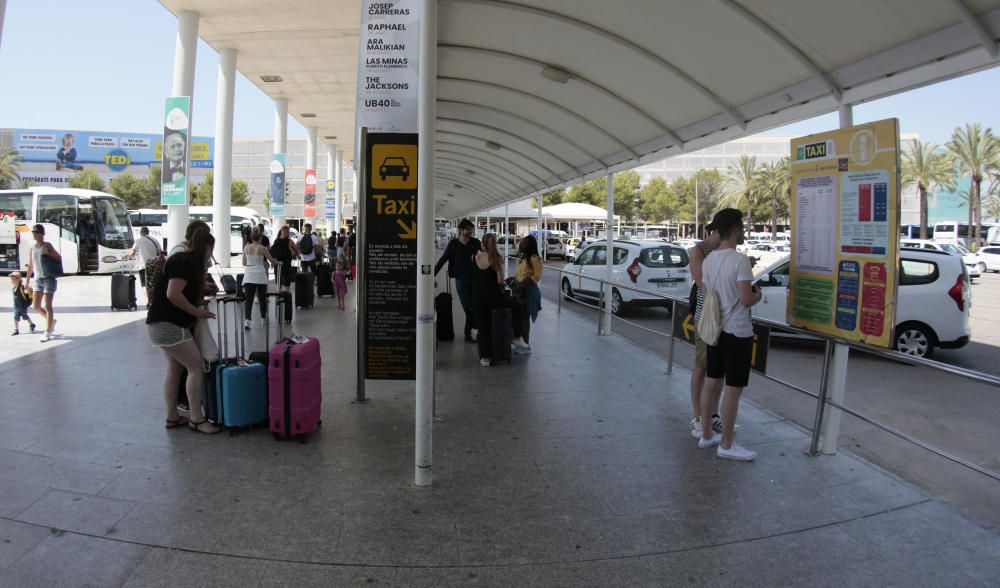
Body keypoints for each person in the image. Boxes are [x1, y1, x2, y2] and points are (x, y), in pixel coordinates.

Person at [698, 208, 762, 461]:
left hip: (715, 330)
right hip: (737, 331)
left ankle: (706, 435)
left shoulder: (709, 260)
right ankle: (726, 443)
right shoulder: (740, 260)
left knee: (711, 381)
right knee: (733, 389)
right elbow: (746, 299)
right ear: (735, 229)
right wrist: (759, 295)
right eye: (743, 227)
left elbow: (708, 292)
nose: (744, 231)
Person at [146, 227, 222, 435]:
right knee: (196, 366)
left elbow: (175, 292)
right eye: (211, 250)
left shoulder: (182, 259)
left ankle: (172, 416)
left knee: (175, 368)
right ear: (206, 247)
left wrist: (196, 299)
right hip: (170, 324)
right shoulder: (186, 262)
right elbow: (173, 294)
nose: (210, 255)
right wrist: (196, 312)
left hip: (160, 323)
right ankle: (196, 419)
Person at [687, 220, 724, 439]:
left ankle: (713, 413)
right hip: (706, 318)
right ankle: (697, 417)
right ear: (718, 231)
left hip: (724, 318)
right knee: (701, 368)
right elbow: (702, 283)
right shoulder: (698, 251)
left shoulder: (726, 250)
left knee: (718, 371)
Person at [434, 219, 482, 342]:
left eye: (472, 229)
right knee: (468, 307)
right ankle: (475, 329)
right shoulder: (453, 244)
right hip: (461, 280)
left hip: (475, 279)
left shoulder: (475, 242)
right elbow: (443, 259)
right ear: (461, 230)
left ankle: (468, 334)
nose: (470, 231)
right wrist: (432, 275)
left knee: (473, 307)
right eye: (468, 229)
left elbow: (485, 256)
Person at [473, 233, 506, 367]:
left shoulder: (476, 257)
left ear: (482, 244)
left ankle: (484, 357)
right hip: (493, 297)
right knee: (515, 307)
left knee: (483, 326)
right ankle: (517, 338)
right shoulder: (496, 259)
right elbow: (500, 280)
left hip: (478, 297)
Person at [25, 224, 61, 342]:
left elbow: (58, 258)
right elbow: (31, 265)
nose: (34, 234)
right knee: (36, 306)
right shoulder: (32, 248)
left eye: (36, 232)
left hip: (48, 278)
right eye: (33, 232)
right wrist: (27, 281)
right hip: (38, 280)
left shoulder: (47, 245)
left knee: (48, 305)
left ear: (42, 233)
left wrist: (47, 253)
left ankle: (48, 332)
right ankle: (51, 321)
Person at [508, 234, 542, 354]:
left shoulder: (534, 258)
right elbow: (520, 275)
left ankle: (526, 345)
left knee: (524, 318)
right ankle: (520, 342)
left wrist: (524, 284)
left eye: (523, 242)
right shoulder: (524, 258)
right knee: (519, 317)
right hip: (521, 290)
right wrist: (513, 278)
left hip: (529, 291)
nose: (521, 244)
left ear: (529, 245)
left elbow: (537, 276)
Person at [242, 228, 282, 330]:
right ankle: (263, 317)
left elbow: (244, 263)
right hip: (260, 273)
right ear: (260, 238)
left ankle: (247, 321)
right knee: (262, 297)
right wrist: (279, 263)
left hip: (249, 274)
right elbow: (271, 259)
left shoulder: (246, 248)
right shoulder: (262, 248)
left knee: (249, 299)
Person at [127, 226, 165, 302]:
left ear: (141, 233)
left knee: (145, 286)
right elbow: (161, 253)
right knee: (153, 284)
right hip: (155, 266)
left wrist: (127, 256)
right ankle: (153, 300)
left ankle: (150, 300)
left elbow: (132, 253)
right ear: (148, 232)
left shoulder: (138, 240)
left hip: (143, 266)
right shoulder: (155, 240)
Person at [269, 225, 300, 293]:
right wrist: (297, 255)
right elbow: (296, 251)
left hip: (277, 264)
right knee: (286, 282)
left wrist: (273, 262)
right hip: (286, 264)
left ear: (281, 231)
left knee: (278, 281)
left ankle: (279, 297)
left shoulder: (276, 241)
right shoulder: (290, 241)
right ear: (288, 232)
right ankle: (284, 297)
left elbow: (272, 252)